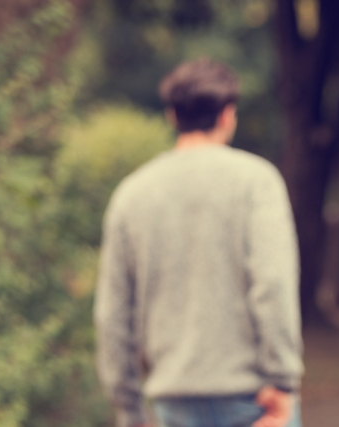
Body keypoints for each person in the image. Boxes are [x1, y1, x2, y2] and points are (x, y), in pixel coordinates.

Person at [95, 59, 303, 427]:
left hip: (172, 405)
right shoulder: (257, 182)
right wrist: (284, 381)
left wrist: (129, 410)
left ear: (172, 115)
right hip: (254, 402)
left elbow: (113, 315)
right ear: (227, 115)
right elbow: (273, 284)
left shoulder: (132, 194)